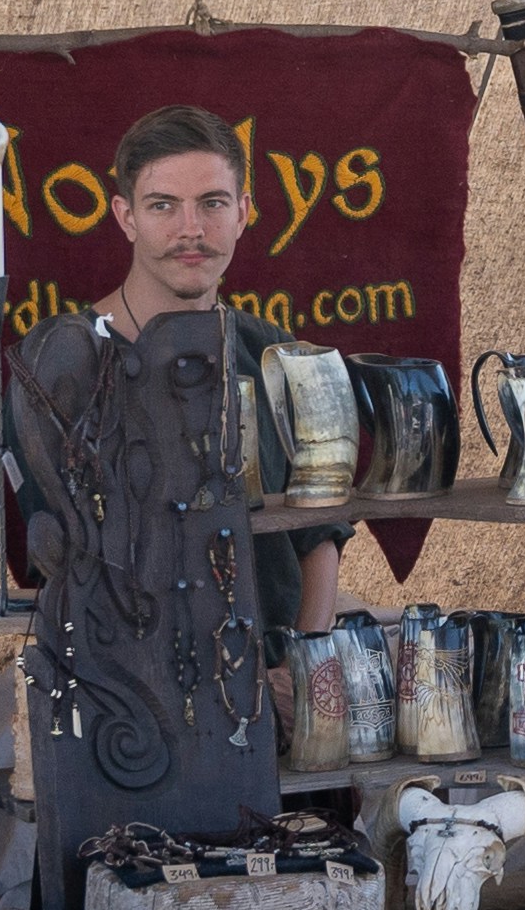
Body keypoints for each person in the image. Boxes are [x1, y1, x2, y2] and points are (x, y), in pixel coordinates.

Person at [92, 104, 345, 630]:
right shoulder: (67, 360)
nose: (192, 229)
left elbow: (319, 531)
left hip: (269, 680)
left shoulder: (277, 355)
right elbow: (53, 553)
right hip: (117, 691)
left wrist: (301, 662)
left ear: (242, 212)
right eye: (163, 205)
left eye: (212, 203)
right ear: (126, 216)